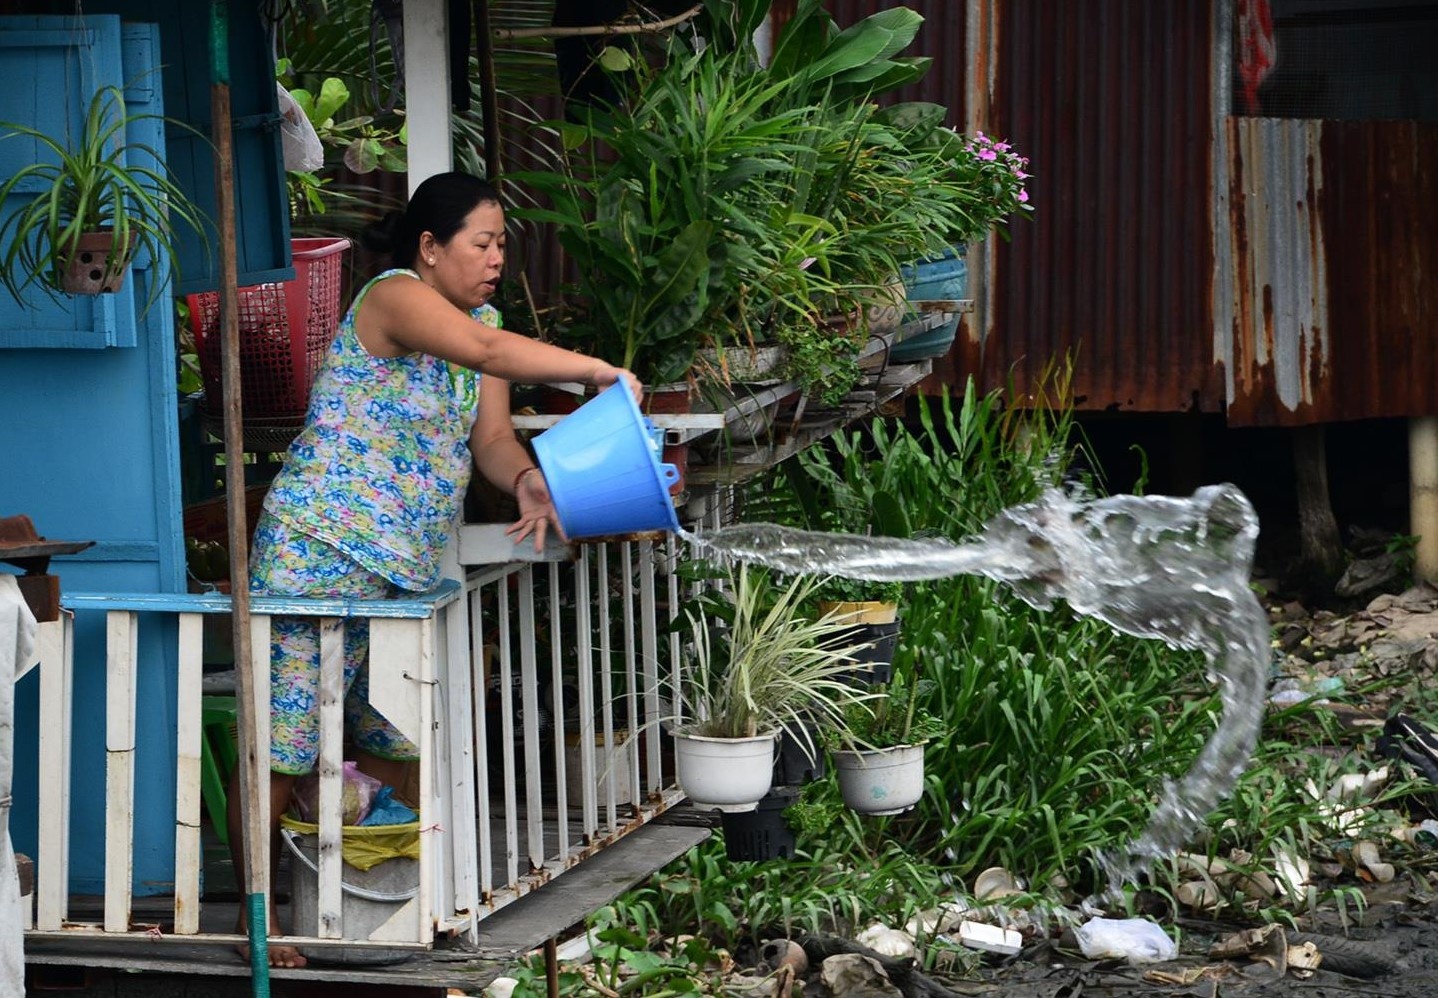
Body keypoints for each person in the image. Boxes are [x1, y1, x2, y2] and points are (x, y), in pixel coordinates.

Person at [226, 171, 641, 967]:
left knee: (396, 738)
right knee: (285, 742)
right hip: (320, 548)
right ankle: (263, 923)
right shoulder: (391, 297)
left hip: (402, 570)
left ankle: (383, 905)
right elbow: (487, 351)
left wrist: (526, 481)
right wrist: (593, 371)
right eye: (481, 244)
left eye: (500, 246)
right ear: (429, 247)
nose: (494, 260)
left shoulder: (484, 322)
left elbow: (488, 439)